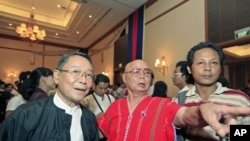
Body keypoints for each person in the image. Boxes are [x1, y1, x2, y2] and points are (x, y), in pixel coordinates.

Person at [98, 59, 250, 141]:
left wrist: (202, 111)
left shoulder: (163, 104)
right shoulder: (115, 106)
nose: (143, 76)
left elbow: (184, 115)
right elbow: (100, 132)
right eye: (136, 71)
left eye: (147, 73)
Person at [0, 52, 99, 141]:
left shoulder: (89, 119)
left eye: (89, 75)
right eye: (75, 72)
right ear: (57, 76)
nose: (83, 80)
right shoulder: (26, 115)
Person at [175, 41, 250, 141]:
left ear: (221, 69)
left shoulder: (240, 99)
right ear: (189, 69)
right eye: (201, 63)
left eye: (214, 63)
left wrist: (230, 133)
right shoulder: (180, 100)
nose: (208, 68)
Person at [81, 73, 115, 141]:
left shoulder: (111, 98)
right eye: (100, 88)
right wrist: (95, 117)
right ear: (94, 86)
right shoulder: (86, 101)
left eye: (105, 88)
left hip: (109, 134)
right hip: (95, 136)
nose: (103, 91)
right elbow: (82, 121)